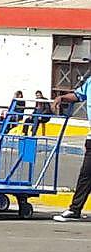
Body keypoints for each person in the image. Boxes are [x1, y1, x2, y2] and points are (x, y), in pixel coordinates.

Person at [53, 84, 90, 222]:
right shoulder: (90, 82)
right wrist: (62, 97)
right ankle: (75, 209)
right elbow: (78, 95)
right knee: (86, 176)